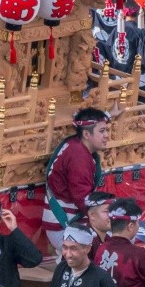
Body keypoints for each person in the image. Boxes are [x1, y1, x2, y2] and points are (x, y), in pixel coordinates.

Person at [46, 109, 112, 254]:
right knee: (117, 241)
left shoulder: (76, 145)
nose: (107, 135)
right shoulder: (78, 157)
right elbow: (84, 200)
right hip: (63, 224)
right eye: (102, 131)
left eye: (106, 130)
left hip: (67, 219)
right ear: (87, 134)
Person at [43, 225, 128, 287]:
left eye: (73, 249)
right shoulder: (61, 268)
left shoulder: (100, 278)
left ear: (87, 249)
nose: (68, 254)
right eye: (65, 248)